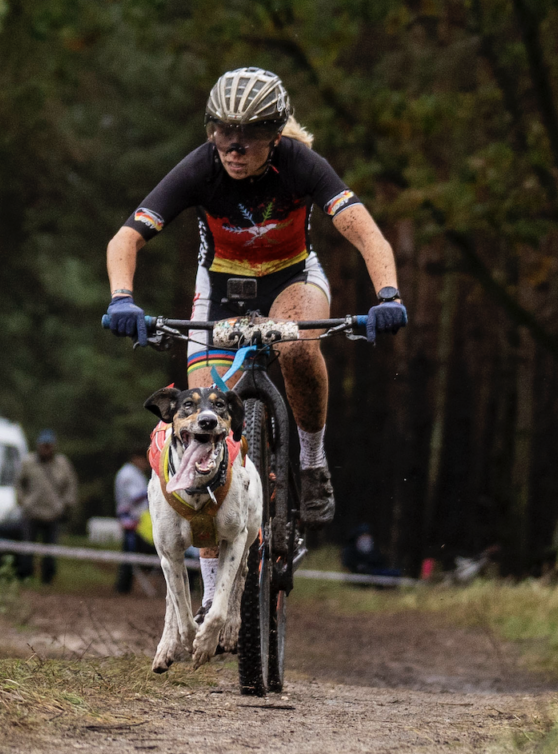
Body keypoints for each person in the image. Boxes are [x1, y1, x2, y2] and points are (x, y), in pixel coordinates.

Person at [105, 67, 408, 612]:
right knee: (200, 421)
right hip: (220, 291)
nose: (233, 145)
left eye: (249, 133)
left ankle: (311, 462)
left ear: (277, 133)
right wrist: (122, 298)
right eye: (222, 131)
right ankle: (212, 586)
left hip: (292, 280)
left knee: (296, 345)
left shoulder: (301, 165)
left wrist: (387, 295)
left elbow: (365, 230)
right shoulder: (200, 168)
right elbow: (126, 238)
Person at [14, 429, 78, 584]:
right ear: (38, 446)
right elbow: (18, 484)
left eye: (49, 446)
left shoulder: (62, 464)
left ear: (54, 446)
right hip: (32, 513)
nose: (46, 449)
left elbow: (71, 486)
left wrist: (65, 504)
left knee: (50, 550)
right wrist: (23, 502)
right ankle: (25, 576)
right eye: (44, 446)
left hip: (53, 514)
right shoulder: (28, 462)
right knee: (27, 548)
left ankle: (47, 578)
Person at [114, 449, 155, 593]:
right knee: (129, 555)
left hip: (137, 520)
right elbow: (135, 497)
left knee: (129, 555)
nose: (145, 463)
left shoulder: (135, 474)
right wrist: (154, 487)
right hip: (130, 521)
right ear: (135, 458)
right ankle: (122, 587)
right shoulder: (128, 474)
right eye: (144, 459)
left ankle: (124, 587)